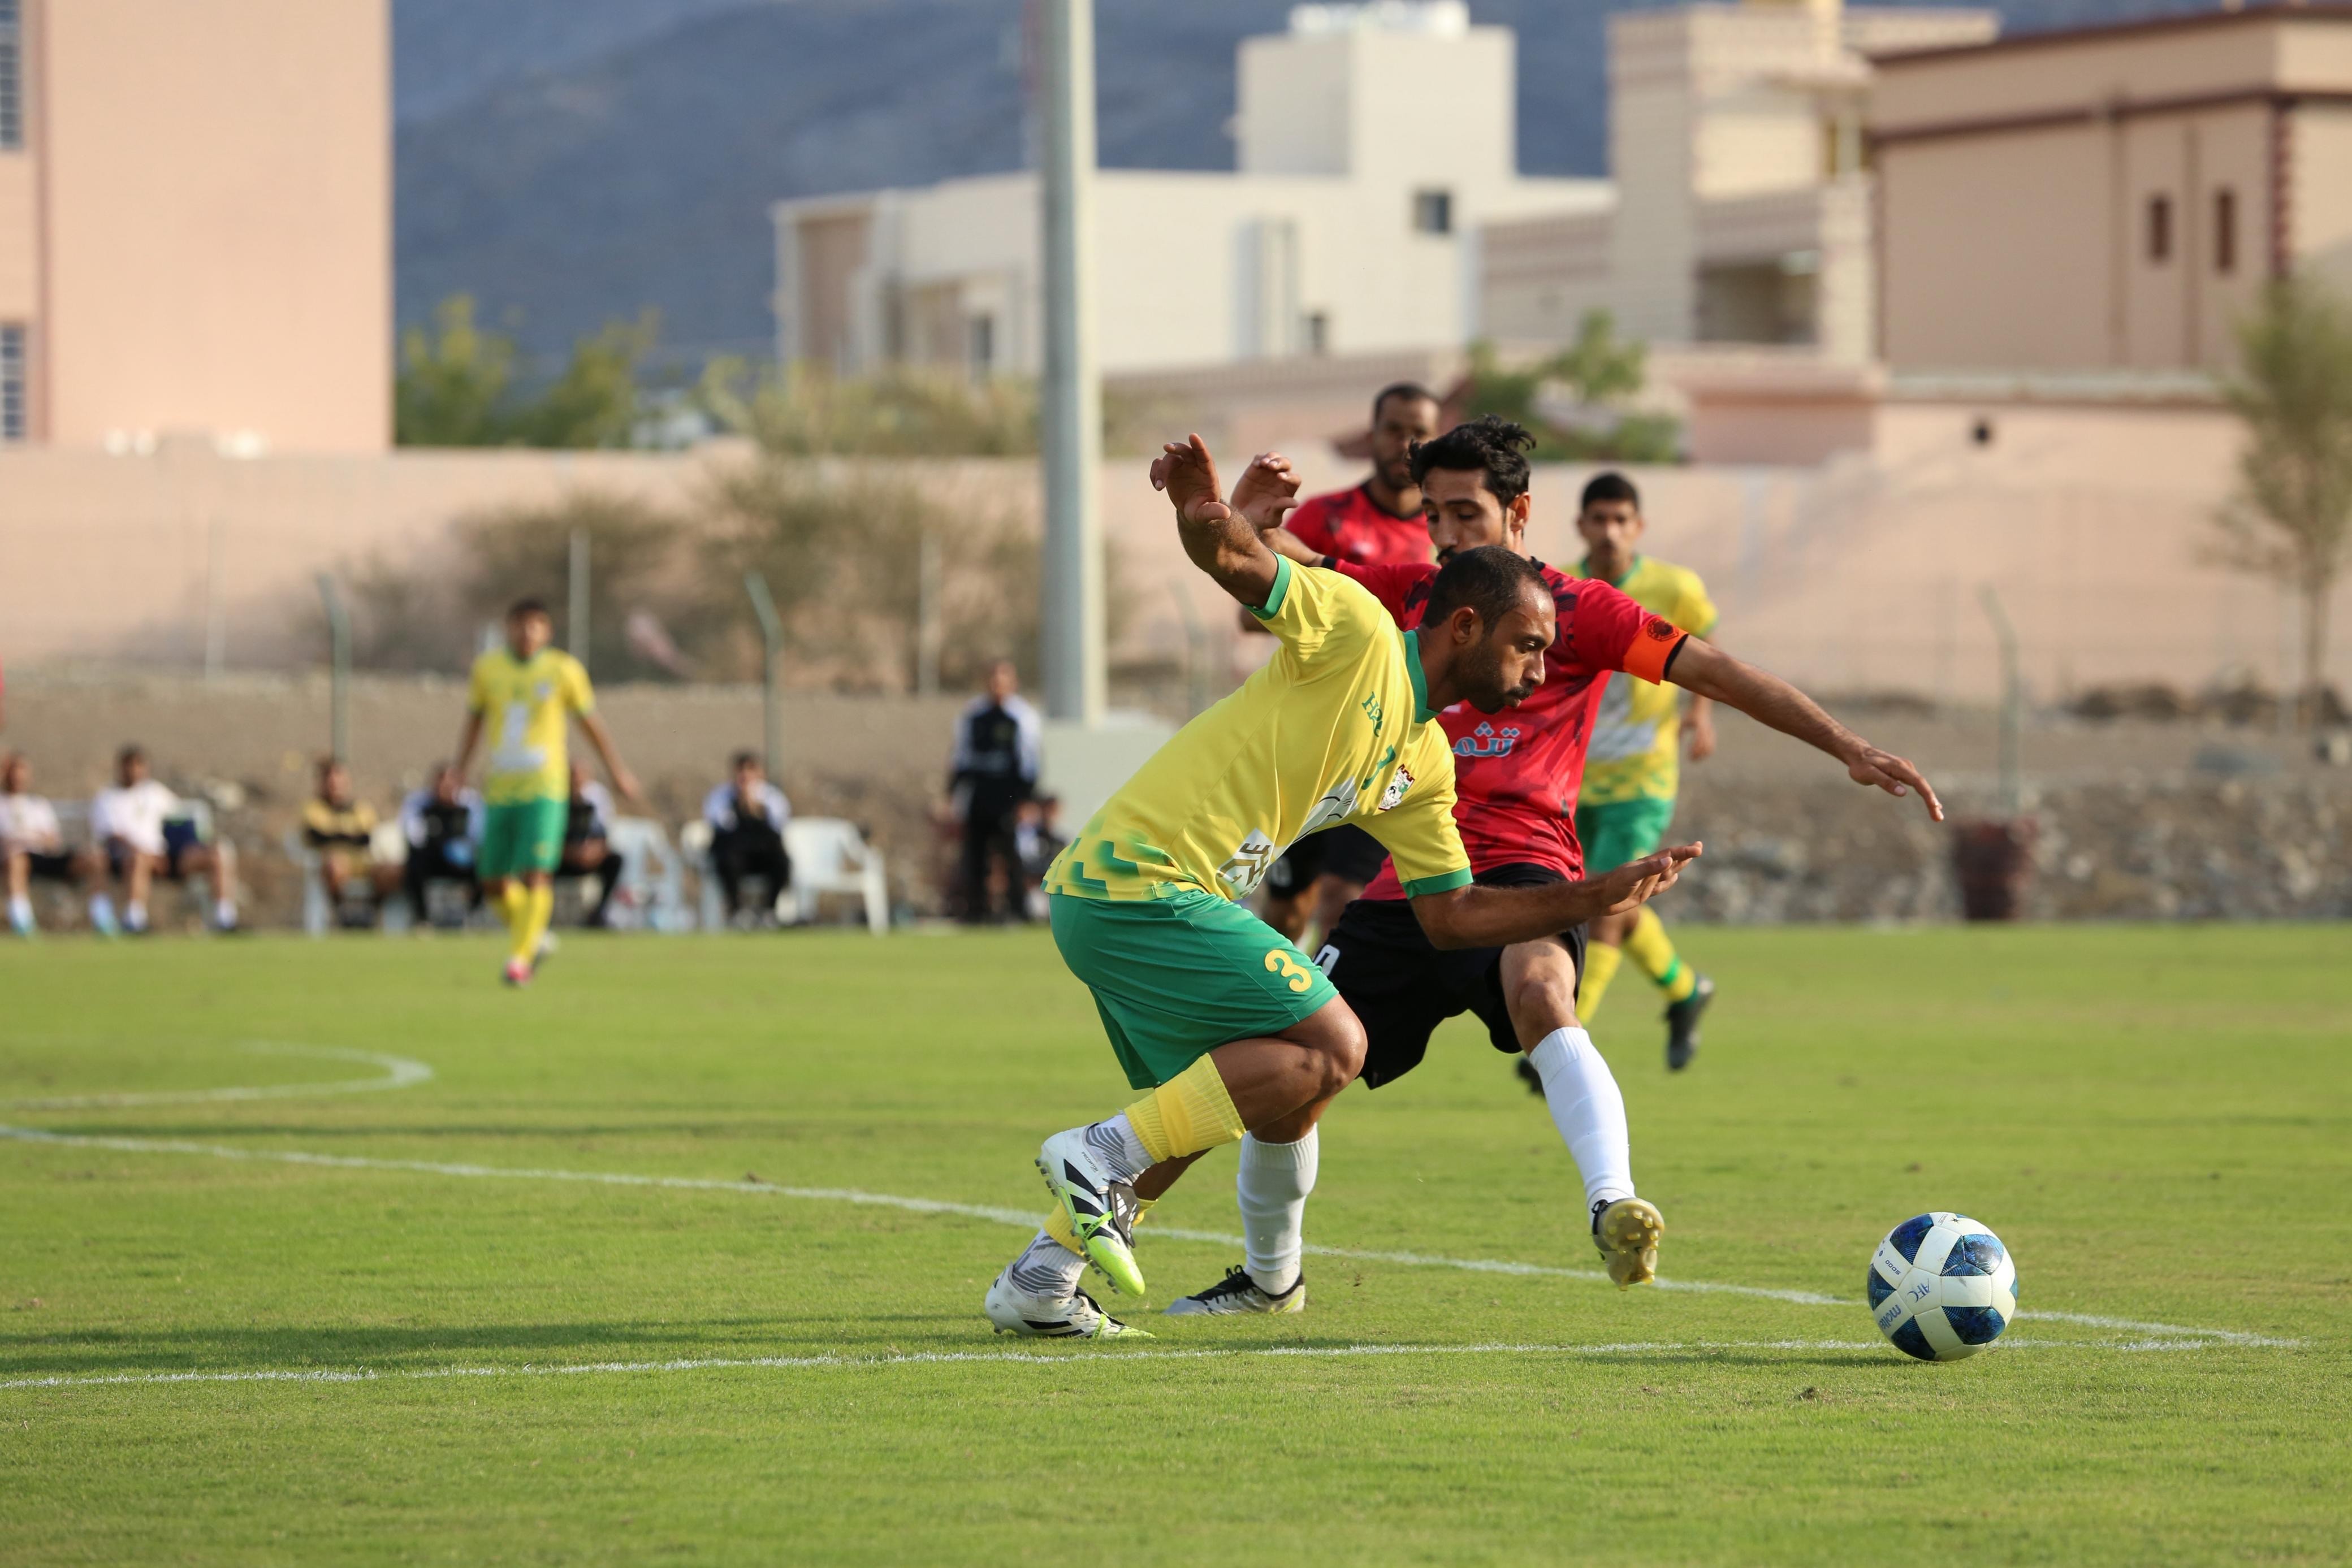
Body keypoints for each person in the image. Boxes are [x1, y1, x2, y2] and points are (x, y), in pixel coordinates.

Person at [1149, 421, 1943, 1319]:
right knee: (1294, 1069)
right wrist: (1240, 524)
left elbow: (1715, 672)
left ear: (1519, 510)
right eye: (1434, 513)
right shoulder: (1417, 591)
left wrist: (1846, 744)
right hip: (1409, 868)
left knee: (1540, 989)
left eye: (1465, 512)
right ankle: (1269, 1278)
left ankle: (1614, 1203)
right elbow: (1295, 577)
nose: (1445, 533)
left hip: (1528, 862)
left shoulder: (1582, 612)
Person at [980, 435, 1702, 1341]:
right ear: (1466, 626)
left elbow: (1453, 918)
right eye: (1528, 647)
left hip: (1136, 902)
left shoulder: (1425, 756)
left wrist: (1592, 897)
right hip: (1139, 881)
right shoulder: (1358, 630)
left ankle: (1042, 1276)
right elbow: (1240, 560)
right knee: (1333, 1040)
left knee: (1244, 1090)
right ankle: (1094, 1153)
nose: (1536, 672)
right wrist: (1206, 516)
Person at [1257, 382, 1445, 950]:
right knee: (1287, 910)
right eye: (1393, 429)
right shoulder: (1324, 518)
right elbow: (1256, 606)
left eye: (1420, 431)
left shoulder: (1445, 537)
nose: (1405, 442)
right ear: (1371, 436)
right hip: (1313, 733)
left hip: (1392, 741)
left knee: (1343, 896)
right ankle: (1275, 1018)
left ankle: (1321, 1026)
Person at [1570, 472, 1722, 1071]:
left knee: (1605, 903)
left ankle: (1565, 1037)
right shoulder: (1559, 583)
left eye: (1619, 519)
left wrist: (1700, 714)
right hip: (1572, 778)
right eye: (1598, 518)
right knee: (1602, 899)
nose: (1609, 530)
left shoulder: (1672, 587)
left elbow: (1704, 642)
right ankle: (1685, 990)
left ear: (1638, 526)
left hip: (1642, 779)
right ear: (1581, 525)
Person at [452, 599, 641, 986]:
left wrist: (616, 771)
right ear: (508, 628)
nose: (527, 632)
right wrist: (459, 769)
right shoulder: (488, 669)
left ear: (548, 631)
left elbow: (591, 724)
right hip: (501, 789)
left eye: (536, 625)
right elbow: (474, 722)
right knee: (493, 881)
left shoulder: (563, 670)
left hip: (544, 789)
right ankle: (534, 938)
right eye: (520, 624)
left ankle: (518, 961)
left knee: (537, 874)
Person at [87, 746, 238, 934]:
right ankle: (134, 919)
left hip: (164, 856)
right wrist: (135, 848)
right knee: (139, 858)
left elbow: (179, 818)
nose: (134, 771)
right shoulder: (108, 799)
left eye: (139, 765)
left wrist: (189, 843)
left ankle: (225, 918)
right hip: (128, 858)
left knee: (218, 853)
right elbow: (109, 836)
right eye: (130, 766)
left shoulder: (155, 793)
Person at [948, 659, 1040, 924]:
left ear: (1013, 683)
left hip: (1009, 796)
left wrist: (1026, 800)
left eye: (1003, 680)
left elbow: (1031, 762)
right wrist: (953, 797)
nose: (997, 685)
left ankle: (1017, 911)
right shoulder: (973, 715)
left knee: (1012, 854)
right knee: (975, 855)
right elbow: (961, 759)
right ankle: (976, 911)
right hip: (980, 795)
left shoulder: (1022, 717)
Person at [302, 757, 403, 925]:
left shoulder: (362, 809)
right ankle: (341, 915)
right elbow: (318, 837)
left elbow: (369, 838)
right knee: (336, 865)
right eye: (330, 781)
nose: (335, 786)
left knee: (392, 872)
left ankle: (371, 913)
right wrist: (350, 836)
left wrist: (337, 834)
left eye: (339, 780)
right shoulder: (313, 808)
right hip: (332, 867)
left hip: (365, 865)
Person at [703, 751, 793, 926]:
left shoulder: (772, 797)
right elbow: (722, 825)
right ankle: (737, 912)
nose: (745, 776)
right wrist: (740, 804)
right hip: (735, 855)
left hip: (763, 856)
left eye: (750, 770)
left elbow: (779, 826)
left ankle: (769, 912)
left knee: (782, 862)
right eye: (741, 771)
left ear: (760, 773)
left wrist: (757, 809)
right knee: (727, 860)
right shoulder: (720, 797)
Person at [2, 754, 81, 937]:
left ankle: (105, 918)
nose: (17, 779)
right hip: (10, 857)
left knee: (93, 860)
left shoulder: (38, 805)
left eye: (21, 774)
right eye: (13, 775)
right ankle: (22, 921)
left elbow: (53, 841)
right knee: (16, 861)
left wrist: (29, 839)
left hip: (41, 856)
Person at [399, 763, 483, 926]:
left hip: (461, 862)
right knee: (414, 863)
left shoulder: (470, 805)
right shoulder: (421, 805)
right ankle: (422, 918)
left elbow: (478, 837)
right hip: (433, 859)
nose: (445, 787)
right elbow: (413, 834)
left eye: (451, 782)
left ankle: (474, 914)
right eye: (441, 782)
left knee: (485, 865)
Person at [559, 761, 624, 928]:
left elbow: (605, 830)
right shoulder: (557, 797)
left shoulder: (598, 797)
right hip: (562, 857)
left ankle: (598, 915)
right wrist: (568, 852)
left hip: (592, 857)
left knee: (615, 861)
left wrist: (595, 852)